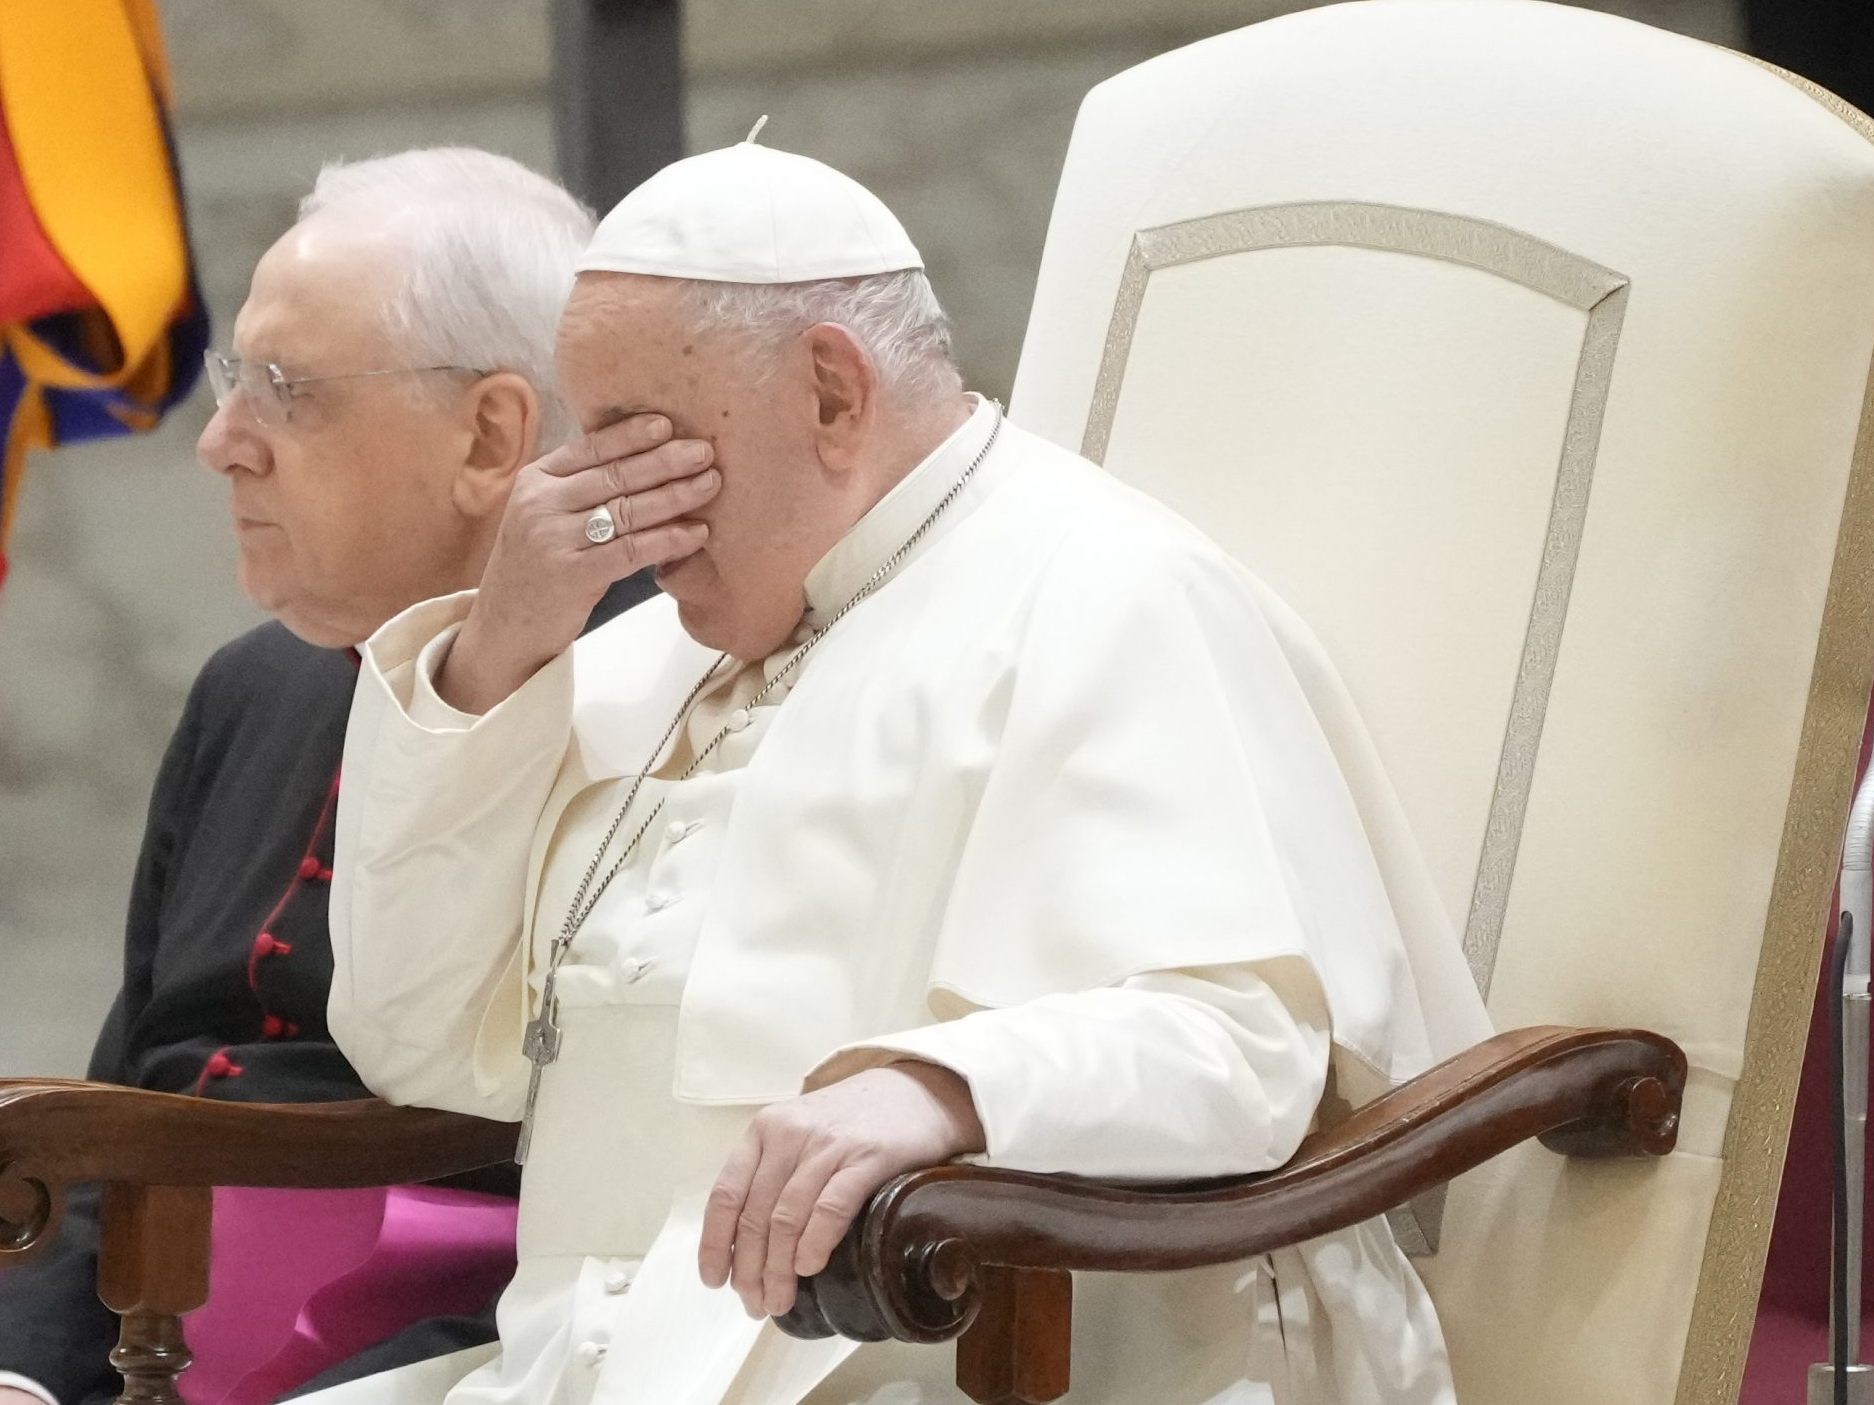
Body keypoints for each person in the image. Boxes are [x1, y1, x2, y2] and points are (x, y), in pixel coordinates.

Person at [322, 137, 1487, 1405]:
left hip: (952, 1362)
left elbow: (1244, 1039)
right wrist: (497, 656)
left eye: (632, 436)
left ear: (830, 392)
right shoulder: (634, 659)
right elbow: (413, 1040)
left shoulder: (1106, 592)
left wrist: (939, 1088)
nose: (589, 494)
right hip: (583, 1363)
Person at [0, 147, 662, 1405]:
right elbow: (123, 1106)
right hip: (134, 1349)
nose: (222, 445)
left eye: (285, 391)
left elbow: (599, 1199)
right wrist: (24, 1374)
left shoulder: (658, 693)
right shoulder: (253, 687)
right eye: (229, 381)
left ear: (490, 436)